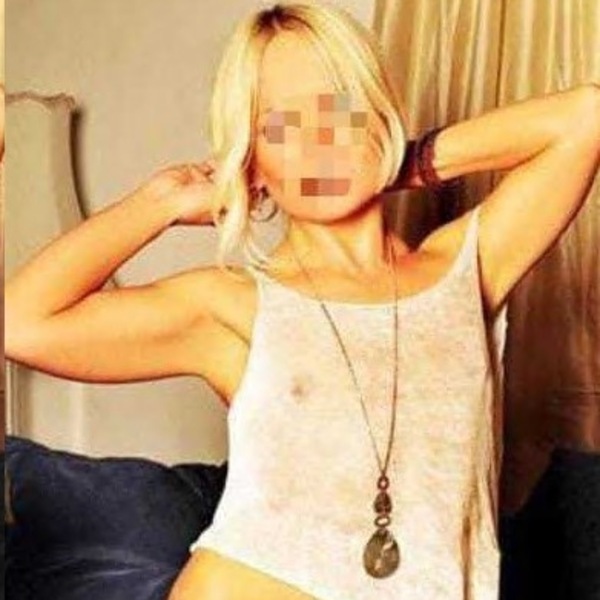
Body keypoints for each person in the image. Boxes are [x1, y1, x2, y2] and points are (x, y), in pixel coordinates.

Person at [5, 3, 600, 600]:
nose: (317, 140)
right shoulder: (234, 306)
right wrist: (160, 202)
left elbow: (586, 117)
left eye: (338, 107)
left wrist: (406, 161)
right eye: (280, 126)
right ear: (252, 162)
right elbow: (20, 323)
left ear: (378, 114)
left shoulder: (463, 271)